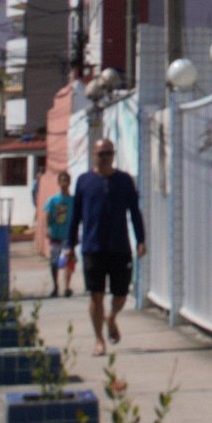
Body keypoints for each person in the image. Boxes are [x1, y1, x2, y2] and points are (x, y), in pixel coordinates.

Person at [66, 139, 145, 356]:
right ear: (94, 155)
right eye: (101, 154)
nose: (105, 158)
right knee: (96, 295)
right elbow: (75, 216)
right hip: (93, 247)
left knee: (120, 294)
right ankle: (99, 339)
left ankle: (111, 317)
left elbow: (134, 212)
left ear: (113, 155)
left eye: (109, 153)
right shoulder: (84, 181)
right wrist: (69, 245)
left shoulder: (124, 181)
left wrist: (141, 240)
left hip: (119, 246)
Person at [43, 171, 75, 298]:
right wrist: (48, 229)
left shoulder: (73, 200)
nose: (64, 184)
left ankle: (67, 287)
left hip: (68, 236)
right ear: (59, 183)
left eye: (66, 181)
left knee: (68, 261)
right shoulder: (53, 200)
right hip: (56, 235)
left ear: (69, 182)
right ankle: (55, 286)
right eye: (62, 181)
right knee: (54, 262)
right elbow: (47, 215)